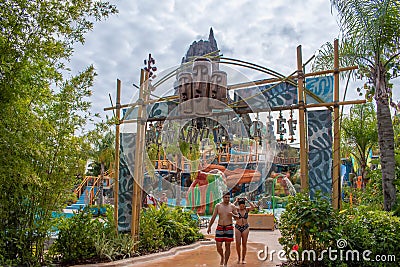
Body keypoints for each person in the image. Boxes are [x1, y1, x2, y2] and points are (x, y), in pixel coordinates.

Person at [207, 191, 237, 266]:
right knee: (218, 246)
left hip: (229, 227)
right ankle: (222, 257)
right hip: (220, 227)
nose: (227, 199)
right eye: (225, 197)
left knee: (227, 246)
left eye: (228, 197)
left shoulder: (232, 206)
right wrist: (209, 227)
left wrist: (232, 214)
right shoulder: (218, 206)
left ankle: (225, 263)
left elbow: (237, 218)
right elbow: (213, 217)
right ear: (222, 198)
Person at [233, 196, 256, 264]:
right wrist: (236, 201)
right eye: (241, 206)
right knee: (237, 243)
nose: (242, 207)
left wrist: (247, 200)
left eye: (243, 206)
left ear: (244, 205)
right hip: (238, 227)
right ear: (239, 205)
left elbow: (253, 207)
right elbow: (230, 206)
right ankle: (239, 258)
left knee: (244, 244)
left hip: (245, 227)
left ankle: (243, 259)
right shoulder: (237, 209)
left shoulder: (247, 209)